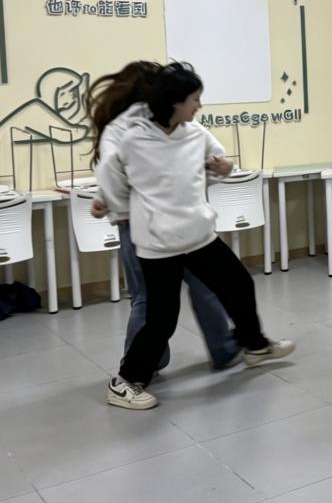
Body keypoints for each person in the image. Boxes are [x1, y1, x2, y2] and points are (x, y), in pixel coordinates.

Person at [97, 62, 294, 410]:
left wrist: (225, 168)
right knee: (162, 317)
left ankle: (255, 346)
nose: (199, 105)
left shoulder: (195, 133)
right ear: (175, 101)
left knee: (238, 286)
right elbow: (110, 176)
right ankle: (125, 382)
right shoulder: (134, 139)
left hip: (199, 235)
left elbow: (219, 163)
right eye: (195, 98)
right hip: (159, 245)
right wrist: (121, 211)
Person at [88, 61, 240, 373]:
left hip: (164, 223)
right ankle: (144, 365)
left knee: (157, 296)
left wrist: (110, 201)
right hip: (147, 225)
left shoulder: (154, 124)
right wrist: (111, 201)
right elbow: (119, 173)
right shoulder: (128, 129)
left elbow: (127, 173)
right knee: (165, 296)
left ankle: (161, 359)